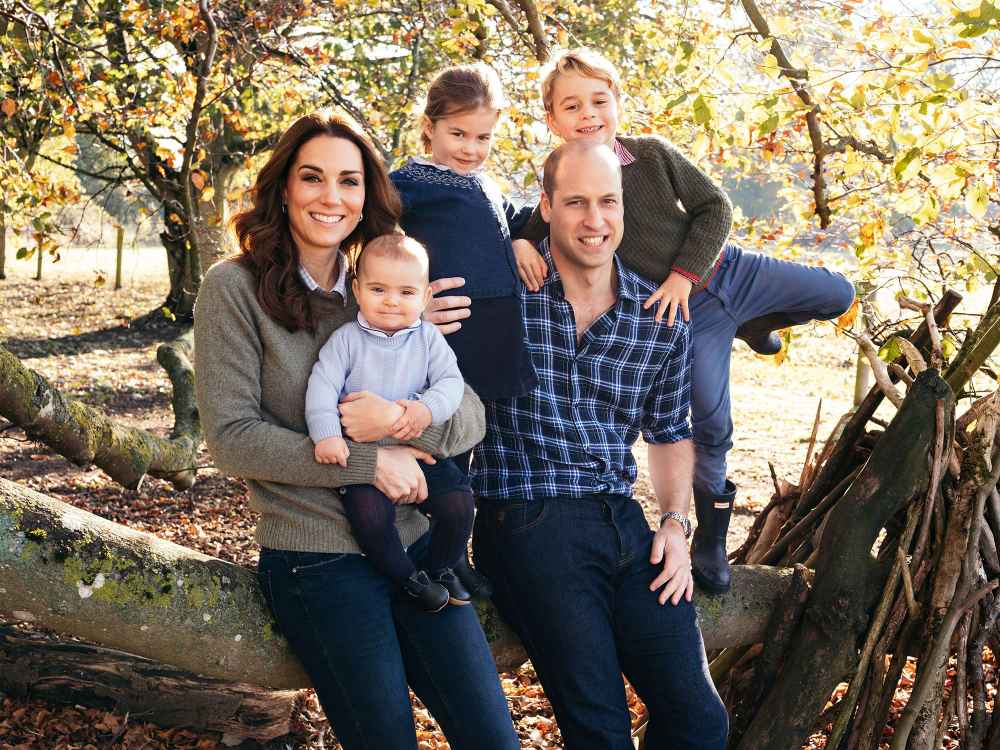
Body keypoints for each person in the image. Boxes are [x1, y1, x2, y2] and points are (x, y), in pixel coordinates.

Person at [193, 111, 519, 750]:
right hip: (317, 555)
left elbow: (472, 413)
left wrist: (405, 425)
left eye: (349, 181)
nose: (331, 197)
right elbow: (232, 436)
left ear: (368, 194)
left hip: (417, 545)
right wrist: (371, 464)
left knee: (493, 737)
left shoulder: (387, 287)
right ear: (283, 187)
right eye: (312, 177)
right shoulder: (233, 288)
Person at [512, 48, 855, 593]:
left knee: (839, 292)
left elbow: (715, 207)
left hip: (728, 272)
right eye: (571, 106)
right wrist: (517, 243)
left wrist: (683, 274)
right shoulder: (567, 182)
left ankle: (757, 322)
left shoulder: (651, 155)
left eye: (599, 100)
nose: (588, 114)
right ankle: (711, 541)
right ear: (552, 120)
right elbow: (535, 224)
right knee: (710, 423)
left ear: (617, 103)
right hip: (688, 318)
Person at [474, 139, 729, 749]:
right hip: (528, 519)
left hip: (622, 522)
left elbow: (669, 432)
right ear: (547, 205)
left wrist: (673, 522)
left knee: (700, 722)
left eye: (608, 202)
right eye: (577, 202)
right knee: (601, 731)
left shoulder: (657, 314)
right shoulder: (502, 292)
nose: (595, 220)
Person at [389, 62, 538, 597]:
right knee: (442, 448)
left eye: (483, 137)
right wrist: (409, 300)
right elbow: (373, 245)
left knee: (470, 449)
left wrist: (521, 239)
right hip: (449, 336)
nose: (471, 148)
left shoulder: (487, 183)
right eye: (458, 134)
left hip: (493, 338)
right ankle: (435, 554)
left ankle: (456, 553)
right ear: (429, 127)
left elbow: (516, 218)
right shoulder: (407, 184)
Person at [305, 234, 475, 612]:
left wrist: (425, 410)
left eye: (405, 292)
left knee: (459, 503)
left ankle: (440, 568)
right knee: (370, 518)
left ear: (425, 297)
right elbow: (321, 386)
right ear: (357, 289)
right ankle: (407, 579)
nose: (391, 301)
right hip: (363, 458)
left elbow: (451, 384)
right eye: (378, 289)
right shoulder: (345, 340)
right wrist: (328, 435)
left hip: (415, 452)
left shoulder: (428, 339)